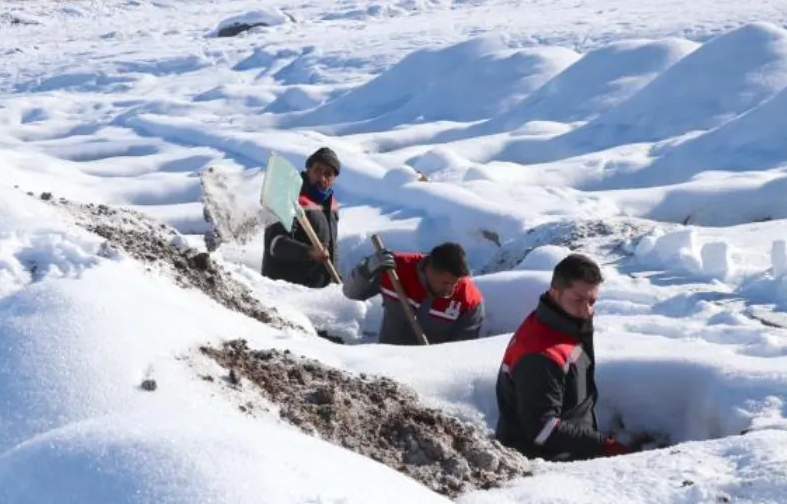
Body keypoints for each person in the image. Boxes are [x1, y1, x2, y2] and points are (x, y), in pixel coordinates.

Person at [494, 253, 635, 461]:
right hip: (545, 464)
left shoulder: (562, 324)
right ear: (554, 292)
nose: (586, 310)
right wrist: (602, 446)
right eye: (578, 300)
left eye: (592, 301)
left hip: (569, 451)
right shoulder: (541, 355)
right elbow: (543, 430)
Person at [342, 242, 485, 345]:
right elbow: (351, 293)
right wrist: (368, 268)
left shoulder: (468, 300)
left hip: (430, 372)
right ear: (430, 269)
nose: (451, 289)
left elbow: (461, 350)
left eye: (456, 283)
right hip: (385, 361)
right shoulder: (395, 269)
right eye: (445, 283)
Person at [261, 147, 341, 289]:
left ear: (335, 178)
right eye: (317, 170)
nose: (322, 178)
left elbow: (330, 251)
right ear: (308, 170)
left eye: (328, 174)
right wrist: (309, 252)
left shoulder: (331, 206)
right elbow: (275, 244)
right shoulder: (288, 197)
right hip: (286, 291)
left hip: (317, 290)